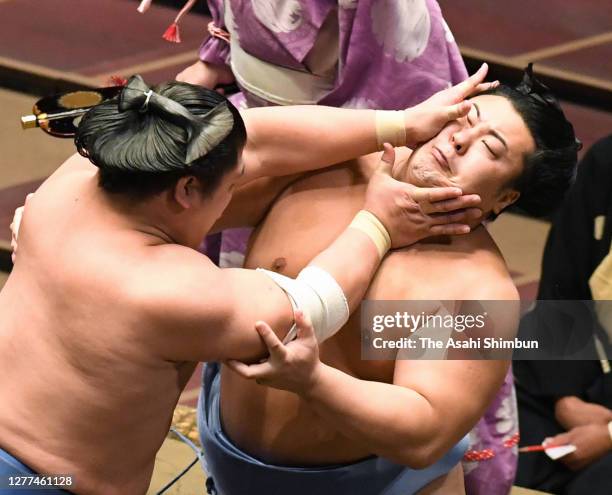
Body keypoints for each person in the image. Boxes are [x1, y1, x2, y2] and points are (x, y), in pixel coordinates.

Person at [1, 71, 486, 494]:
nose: (241, 184)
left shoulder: (75, 180)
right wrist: (377, 224)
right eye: (233, 183)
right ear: (187, 189)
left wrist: (401, 123)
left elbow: (253, 139)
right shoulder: (171, 290)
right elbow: (308, 305)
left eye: (490, 145)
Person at [196, 67, 580, 494]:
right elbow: (199, 179)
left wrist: (313, 381)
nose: (458, 140)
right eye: (462, 120)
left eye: (488, 148)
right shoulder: (327, 164)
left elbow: (423, 431)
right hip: (227, 464)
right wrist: (396, 122)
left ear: (506, 198)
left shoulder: (477, 290)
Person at [514, 135, 612, 495]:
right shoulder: (607, 160)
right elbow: (562, 286)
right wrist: (565, 400)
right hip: (581, 373)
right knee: (489, 442)